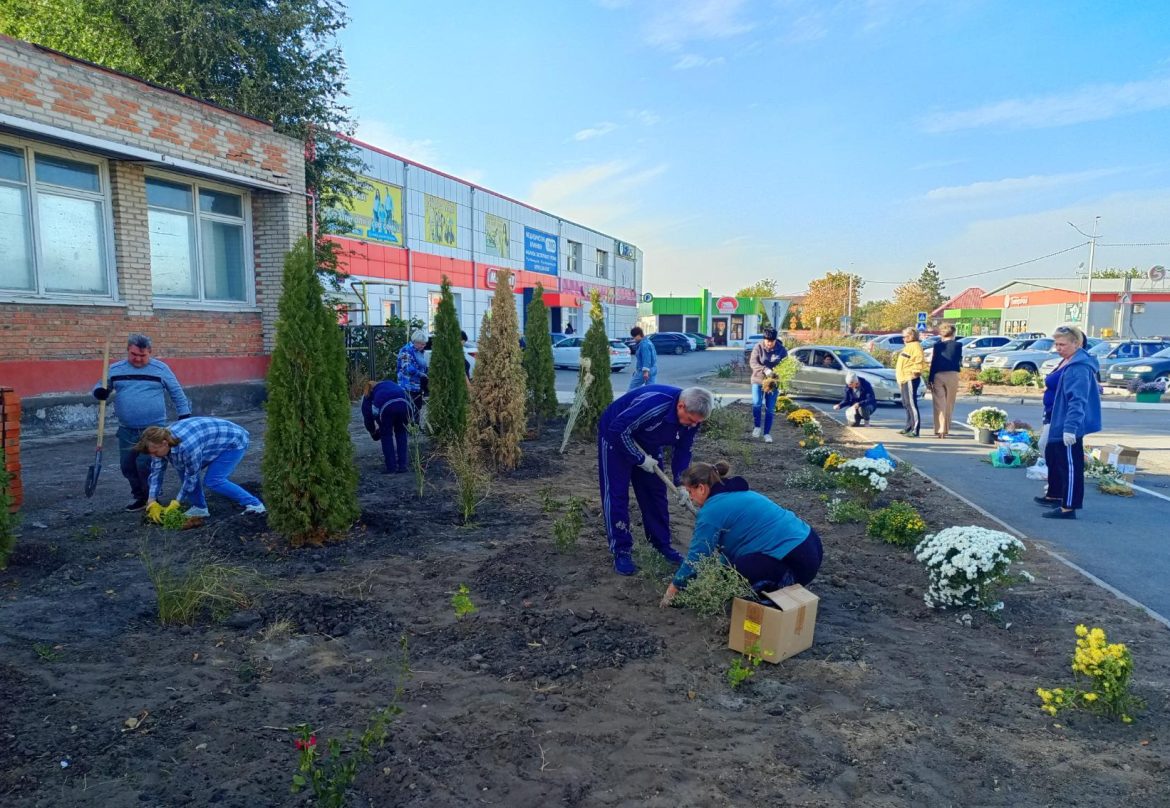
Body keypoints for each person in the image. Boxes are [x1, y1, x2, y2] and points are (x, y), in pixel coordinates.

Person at [659, 461, 823, 606]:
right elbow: (730, 550)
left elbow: (698, 555)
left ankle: (770, 600)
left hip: (797, 563)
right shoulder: (739, 494)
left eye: (690, 492)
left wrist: (674, 588)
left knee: (737, 574)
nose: (691, 498)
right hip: (811, 546)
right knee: (729, 571)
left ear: (701, 488)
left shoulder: (711, 511)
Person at [598, 385, 714, 575]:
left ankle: (661, 545)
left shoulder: (693, 419)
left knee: (655, 493)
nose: (693, 425)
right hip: (616, 434)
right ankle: (621, 550)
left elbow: (683, 451)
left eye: (697, 422)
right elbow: (618, 430)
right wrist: (640, 459)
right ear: (681, 406)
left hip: (646, 438)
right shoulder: (655, 405)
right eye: (691, 420)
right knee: (616, 493)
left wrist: (681, 483)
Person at [92, 333, 192, 512]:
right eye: (134, 354)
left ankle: (152, 498)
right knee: (127, 466)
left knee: (146, 465)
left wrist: (184, 415)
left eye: (142, 355)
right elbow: (100, 386)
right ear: (127, 350)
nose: (137, 359)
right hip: (127, 429)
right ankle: (140, 497)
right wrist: (100, 392)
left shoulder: (160, 369)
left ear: (150, 352)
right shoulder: (115, 369)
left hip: (153, 429)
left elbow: (176, 392)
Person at [137, 417, 265, 520]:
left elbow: (191, 476)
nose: (153, 456)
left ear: (165, 443)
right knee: (182, 467)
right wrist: (152, 501)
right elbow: (156, 472)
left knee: (214, 480)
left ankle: (255, 505)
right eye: (150, 453)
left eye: (155, 452)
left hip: (233, 441)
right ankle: (199, 508)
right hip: (209, 440)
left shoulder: (187, 447)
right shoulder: (158, 444)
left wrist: (177, 502)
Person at [1036, 325, 1102, 519]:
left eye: (1062, 344)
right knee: (1055, 457)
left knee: (1070, 465)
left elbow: (1077, 400)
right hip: (1056, 418)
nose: (1058, 348)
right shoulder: (1067, 360)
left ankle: (1069, 507)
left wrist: (1071, 428)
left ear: (1077, 344)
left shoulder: (1079, 367)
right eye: (1056, 344)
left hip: (1067, 423)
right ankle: (1056, 494)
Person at [361, 380, 411, 473]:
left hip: (386, 408)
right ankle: (402, 466)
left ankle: (391, 467)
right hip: (404, 404)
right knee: (401, 433)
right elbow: (408, 398)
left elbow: (367, 414)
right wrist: (410, 420)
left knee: (386, 436)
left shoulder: (369, 394)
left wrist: (373, 431)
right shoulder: (390, 384)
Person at [748, 328, 788, 443]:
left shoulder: (781, 350)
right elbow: (753, 363)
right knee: (757, 404)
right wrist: (764, 369)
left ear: (775, 340)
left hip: (773, 383)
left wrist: (777, 374)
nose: (769, 343)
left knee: (770, 409)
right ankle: (757, 427)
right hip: (758, 379)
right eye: (767, 341)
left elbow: (785, 365)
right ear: (764, 339)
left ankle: (766, 434)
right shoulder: (758, 347)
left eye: (772, 341)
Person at [928, 324, 963, 438]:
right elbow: (958, 359)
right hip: (952, 375)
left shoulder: (937, 346)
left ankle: (939, 429)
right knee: (949, 403)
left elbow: (934, 362)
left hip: (938, 375)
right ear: (953, 333)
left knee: (939, 403)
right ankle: (945, 429)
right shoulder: (958, 345)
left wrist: (930, 378)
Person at [895, 327, 925, 437]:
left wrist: (915, 372)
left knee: (911, 404)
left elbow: (919, 360)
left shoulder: (915, 346)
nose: (903, 338)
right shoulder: (908, 347)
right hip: (903, 379)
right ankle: (908, 427)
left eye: (905, 336)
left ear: (911, 336)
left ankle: (915, 430)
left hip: (910, 378)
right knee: (906, 403)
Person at [397, 330, 428, 424]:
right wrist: (419, 374)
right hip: (408, 385)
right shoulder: (406, 350)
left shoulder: (419, 351)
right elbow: (406, 367)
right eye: (422, 344)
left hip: (418, 385)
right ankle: (408, 426)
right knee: (408, 407)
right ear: (415, 342)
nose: (423, 346)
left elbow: (422, 365)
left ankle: (416, 425)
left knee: (418, 406)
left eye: (424, 344)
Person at [628, 326, 658, 391]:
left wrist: (645, 371)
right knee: (650, 390)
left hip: (643, 371)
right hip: (653, 369)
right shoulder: (649, 342)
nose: (634, 339)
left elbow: (646, 358)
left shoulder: (644, 345)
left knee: (632, 390)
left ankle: (629, 398)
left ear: (639, 335)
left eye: (634, 337)